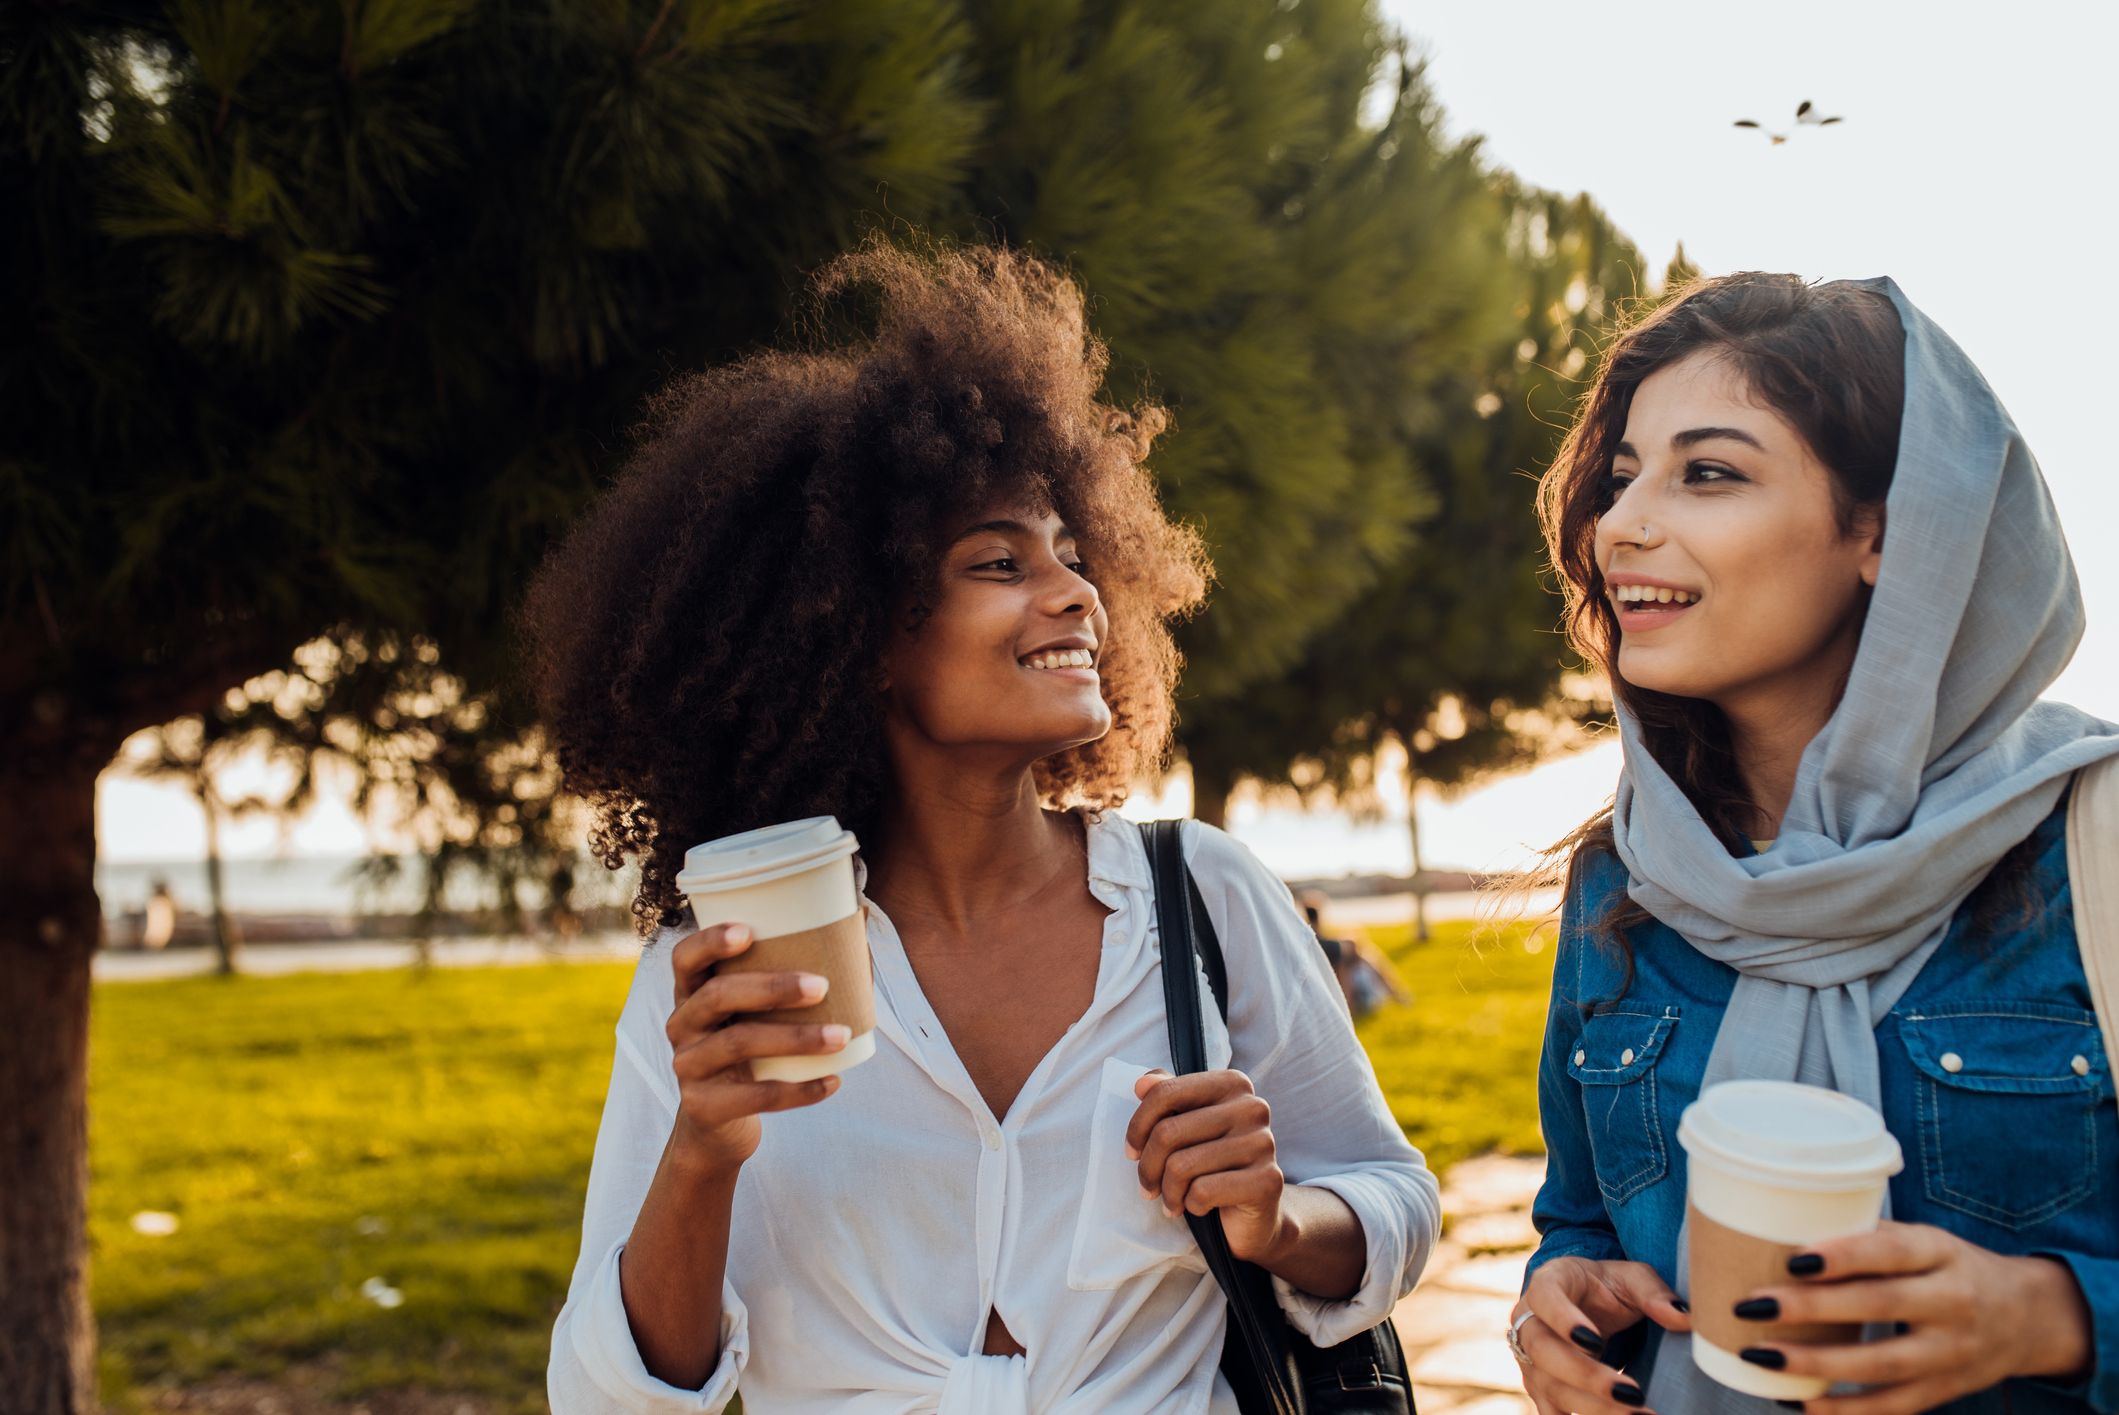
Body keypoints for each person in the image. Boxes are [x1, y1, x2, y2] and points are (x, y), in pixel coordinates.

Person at [528, 240, 1439, 1413]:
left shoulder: (1198, 894)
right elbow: (606, 1397)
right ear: (855, 635)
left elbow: (1393, 1200)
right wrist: (703, 1147)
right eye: (999, 561)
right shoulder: (723, 976)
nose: (1074, 593)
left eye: (1073, 554)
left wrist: (1277, 1216)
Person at [1509, 272, 2119, 1415]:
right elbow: (1579, 1215)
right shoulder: (1625, 874)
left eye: (1709, 472)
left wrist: (2049, 1315)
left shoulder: (2093, 842)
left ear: (1886, 530)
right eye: (1626, 472)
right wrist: (1557, 1294)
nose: (1623, 523)